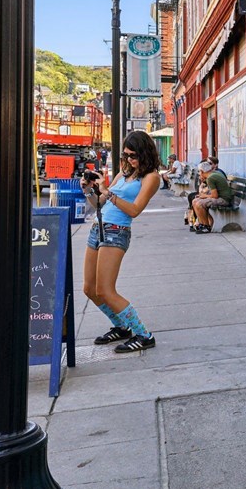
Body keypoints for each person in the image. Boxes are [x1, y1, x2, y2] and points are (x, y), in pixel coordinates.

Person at [81, 131, 160, 353]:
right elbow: (98, 203)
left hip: (117, 232)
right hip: (98, 229)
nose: (128, 160)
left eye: (133, 155)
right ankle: (121, 326)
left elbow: (135, 210)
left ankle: (144, 335)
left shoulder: (151, 177)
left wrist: (110, 194)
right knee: (89, 288)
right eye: (125, 155)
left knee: (106, 289)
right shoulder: (123, 174)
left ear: (144, 153)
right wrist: (88, 188)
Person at [191, 160, 234, 234]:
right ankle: (202, 224)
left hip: (223, 199)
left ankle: (206, 226)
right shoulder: (214, 174)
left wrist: (204, 196)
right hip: (222, 197)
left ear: (202, 171)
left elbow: (215, 196)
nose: (199, 173)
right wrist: (204, 196)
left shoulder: (210, 178)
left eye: (199, 172)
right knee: (195, 201)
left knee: (199, 203)